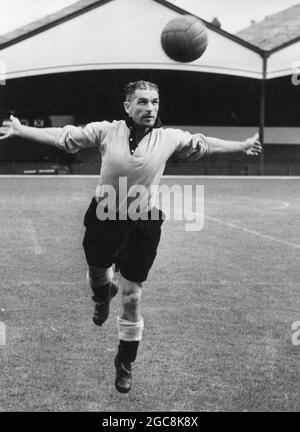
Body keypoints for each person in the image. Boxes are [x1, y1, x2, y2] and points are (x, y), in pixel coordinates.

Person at [0, 80, 262, 393]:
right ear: (127, 106)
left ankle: (124, 362)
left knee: (133, 294)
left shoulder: (169, 138)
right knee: (98, 274)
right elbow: (64, 137)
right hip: (104, 215)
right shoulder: (106, 131)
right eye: (142, 102)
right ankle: (101, 295)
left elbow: (204, 144)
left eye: (154, 101)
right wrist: (21, 130)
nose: (149, 108)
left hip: (143, 221)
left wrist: (242, 145)